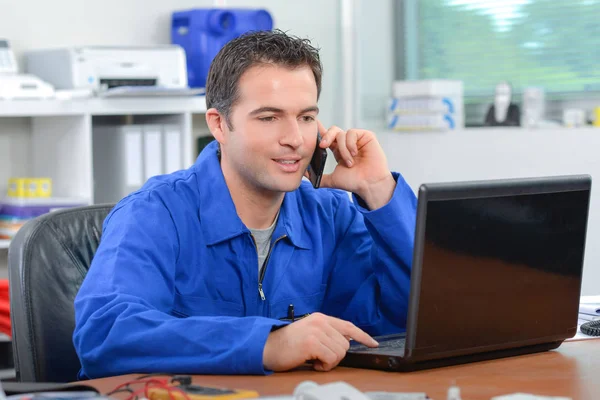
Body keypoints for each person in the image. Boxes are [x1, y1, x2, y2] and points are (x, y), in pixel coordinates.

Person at [73, 30, 417, 378]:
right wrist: (269, 344)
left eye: (306, 117)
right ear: (219, 124)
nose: (295, 139)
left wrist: (378, 190)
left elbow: (402, 321)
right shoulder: (154, 213)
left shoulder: (330, 215)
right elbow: (105, 334)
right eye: (269, 117)